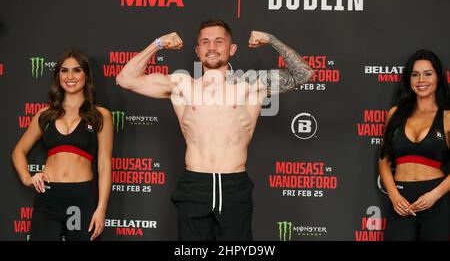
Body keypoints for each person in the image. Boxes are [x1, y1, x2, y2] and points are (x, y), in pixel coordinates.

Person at [116, 19, 314, 240]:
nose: (211, 47)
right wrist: (159, 43)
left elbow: (303, 73)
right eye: (205, 42)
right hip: (194, 185)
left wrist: (271, 40)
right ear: (197, 50)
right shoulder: (182, 85)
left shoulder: (251, 87)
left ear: (232, 49)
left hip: (234, 185)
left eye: (219, 42)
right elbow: (125, 79)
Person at [12, 49, 113, 241]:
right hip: (48, 198)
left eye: (77, 70)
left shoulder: (100, 115)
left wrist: (101, 208)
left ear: (86, 75)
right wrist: (27, 178)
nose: (70, 76)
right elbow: (18, 151)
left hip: (81, 199)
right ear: (58, 76)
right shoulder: (45, 115)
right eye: (64, 71)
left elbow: (104, 164)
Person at [379, 49, 450, 241]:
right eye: (415, 74)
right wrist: (394, 196)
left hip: (436, 200)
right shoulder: (395, 114)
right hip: (401, 202)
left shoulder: (447, 118)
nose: (421, 80)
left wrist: (434, 196)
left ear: (438, 78)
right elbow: (384, 160)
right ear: (409, 79)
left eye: (428, 74)